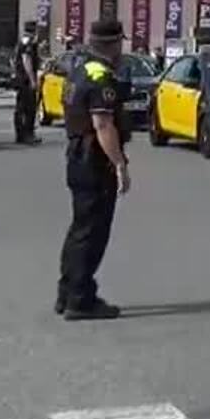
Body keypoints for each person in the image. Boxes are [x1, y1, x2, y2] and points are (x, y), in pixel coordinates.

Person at [57, 18, 133, 321]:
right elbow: (103, 123)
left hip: (77, 154)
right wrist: (119, 164)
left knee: (79, 229)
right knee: (92, 232)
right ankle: (80, 299)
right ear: (113, 44)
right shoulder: (100, 76)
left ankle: (67, 292)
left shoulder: (79, 68)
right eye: (120, 43)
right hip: (94, 158)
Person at [13, 23, 43, 145]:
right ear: (34, 30)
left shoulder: (22, 41)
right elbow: (27, 60)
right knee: (29, 108)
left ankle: (20, 134)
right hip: (25, 80)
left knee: (20, 108)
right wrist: (32, 80)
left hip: (20, 79)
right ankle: (28, 134)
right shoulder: (29, 42)